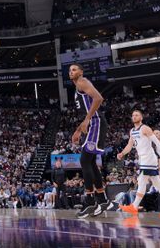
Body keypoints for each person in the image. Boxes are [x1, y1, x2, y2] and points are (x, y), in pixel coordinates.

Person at [69, 63, 113, 217]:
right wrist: (77, 131)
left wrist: (87, 120)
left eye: (74, 69)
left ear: (81, 72)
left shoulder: (82, 81)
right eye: (69, 70)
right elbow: (85, 112)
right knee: (91, 162)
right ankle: (102, 199)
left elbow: (99, 98)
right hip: (92, 123)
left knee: (84, 160)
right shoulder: (78, 86)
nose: (71, 72)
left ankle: (90, 202)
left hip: (96, 123)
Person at [117, 110, 160, 216]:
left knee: (141, 180)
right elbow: (129, 145)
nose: (134, 117)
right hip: (143, 159)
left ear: (141, 117)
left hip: (149, 158)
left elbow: (157, 142)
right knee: (158, 184)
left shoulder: (145, 128)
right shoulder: (132, 131)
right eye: (133, 115)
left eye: (136, 115)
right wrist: (122, 153)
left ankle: (134, 206)